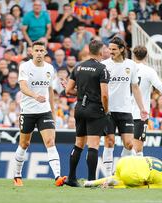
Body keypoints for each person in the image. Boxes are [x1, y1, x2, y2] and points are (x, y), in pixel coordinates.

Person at [12, 41, 66, 187]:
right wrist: (35, 96)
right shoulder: (25, 66)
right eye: (36, 50)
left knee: (50, 142)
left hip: (44, 111)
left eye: (42, 50)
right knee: (24, 144)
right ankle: (17, 175)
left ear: (46, 52)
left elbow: (50, 91)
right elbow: (23, 87)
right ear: (31, 52)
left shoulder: (50, 68)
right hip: (28, 111)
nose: (39, 53)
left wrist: (53, 112)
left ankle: (57, 177)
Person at [64, 40, 110, 187]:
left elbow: (68, 90)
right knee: (93, 145)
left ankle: (71, 178)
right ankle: (91, 180)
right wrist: (106, 109)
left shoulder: (78, 67)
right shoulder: (102, 68)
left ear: (89, 51)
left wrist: (83, 93)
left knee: (79, 143)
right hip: (95, 109)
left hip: (79, 108)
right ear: (101, 52)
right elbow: (104, 95)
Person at [101, 37, 147, 177]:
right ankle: (108, 177)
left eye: (114, 49)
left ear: (122, 49)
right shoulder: (104, 65)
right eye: (109, 49)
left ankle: (117, 172)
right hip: (108, 110)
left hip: (126, 110)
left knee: (129, 144)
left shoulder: (131, 65)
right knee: (110, 142)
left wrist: (142, 108)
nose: (110, 52)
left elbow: (135, 87)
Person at [131, 45, 162, 156]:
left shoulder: (127, 68)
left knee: (127, 146)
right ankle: (137, 172)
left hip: (124, 113)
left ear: (133, 55)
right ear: (146, 56)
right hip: (140, 114)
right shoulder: (149, 71)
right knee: (138, 149)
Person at [84, 156, 162, 189]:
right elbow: (144, 188)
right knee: (133, 185)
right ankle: (114, 184)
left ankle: (90, 182)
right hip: (131, 175)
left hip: (124, 162)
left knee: (116, 176)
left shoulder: (161, 163)